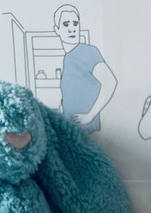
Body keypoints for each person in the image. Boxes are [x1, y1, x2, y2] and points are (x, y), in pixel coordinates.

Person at [53, 4, 117, 133]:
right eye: (66, 24)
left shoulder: (87, 52)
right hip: (72, 130)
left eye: (75, 24)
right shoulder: (68, 58)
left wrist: (90, 115)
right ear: (57, 29)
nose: (72, 29)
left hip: (87, 130)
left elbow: (110, 82)